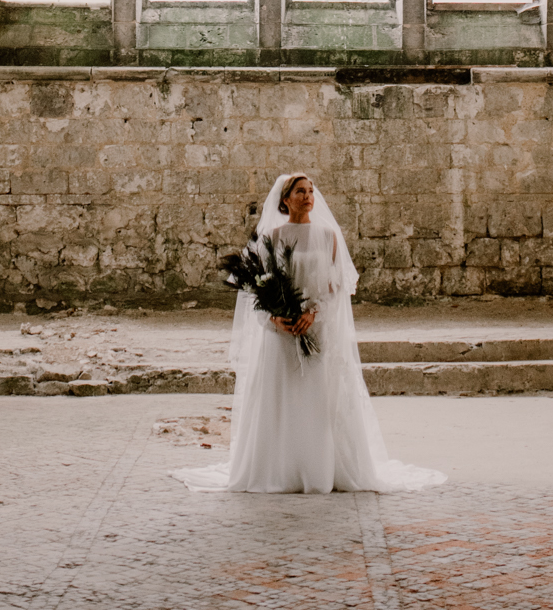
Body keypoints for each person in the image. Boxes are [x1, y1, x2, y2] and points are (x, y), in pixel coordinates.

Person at [171, 171, 447, 495]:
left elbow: (336, 290)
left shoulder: (328, 237)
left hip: (316, 328)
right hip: (280, 333)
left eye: (311, 191)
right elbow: (255, 290)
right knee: (281, 399)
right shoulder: (271, 237)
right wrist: (275, 318)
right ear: (285, 199)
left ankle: (320, 468)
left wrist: (313, 314)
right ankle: (279, 470)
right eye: (300, 191)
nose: (307, 197)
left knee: (317, 399)